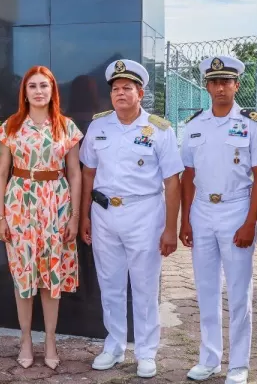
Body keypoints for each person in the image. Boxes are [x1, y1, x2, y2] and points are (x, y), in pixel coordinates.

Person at [78, 60, 182, 379]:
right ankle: (114, 346)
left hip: (144, 214)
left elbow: (172, 181)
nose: (120, 93)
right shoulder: (98, 127)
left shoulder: (159, 130)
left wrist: (171, 228)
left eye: (127, 88)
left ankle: (146, 352)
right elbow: (88, 172)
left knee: (144, 286)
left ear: (140, 93)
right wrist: (84, 215)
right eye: (115, 89)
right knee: (109, 284)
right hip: (104, 213)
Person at [179, 55, 257, 384]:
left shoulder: (252, 123)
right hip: (202, 210)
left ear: (236, 85)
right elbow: (188, 175)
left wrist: (250, 222)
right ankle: (209, 358)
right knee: (206, 288)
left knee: (238, 291)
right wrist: (185, 220)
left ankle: (239, 364)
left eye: (226, 82)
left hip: (237, 208)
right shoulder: (195, 124)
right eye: (214, 82)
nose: (220, 88)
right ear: (206, 86)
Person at [0, 66, 83, 370]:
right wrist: (0, 217)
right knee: (24, 275)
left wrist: (74, 216)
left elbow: (75, 173)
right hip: (20, 204)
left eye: (44, 85)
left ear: (53, 90)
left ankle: (51, 341)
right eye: (32, 86)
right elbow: (1, 172)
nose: (39, 91)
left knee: (50, 274)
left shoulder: (66, 127)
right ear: (25, 92)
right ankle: (25, 340)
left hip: (56, 205)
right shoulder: (11, 126)